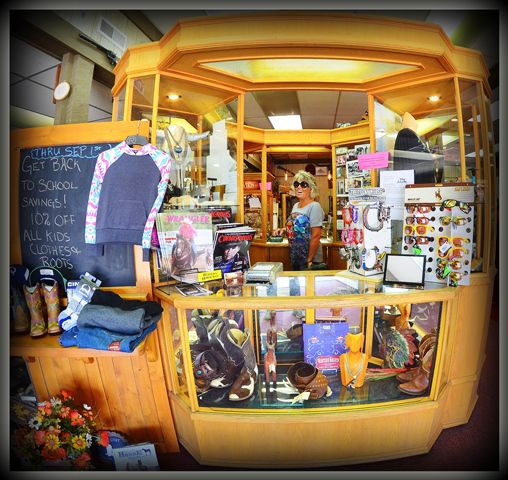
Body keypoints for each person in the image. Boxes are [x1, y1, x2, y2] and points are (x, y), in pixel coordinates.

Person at [284, 170, 324, 271]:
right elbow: (295, 228)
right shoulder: (295, 206)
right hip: (296, 256)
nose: (299, 187)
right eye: (296, 184)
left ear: (311, 189)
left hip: (310, 259)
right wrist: (282, 230)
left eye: (303, 184)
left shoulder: (314, 206)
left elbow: (316, 236)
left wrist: (308, 260)